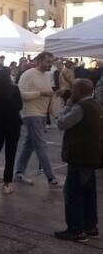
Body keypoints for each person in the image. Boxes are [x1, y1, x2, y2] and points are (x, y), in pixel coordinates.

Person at [54, 79, 102, 243]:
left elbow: (62, 123)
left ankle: (76, 230)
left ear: (79, 91)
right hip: (91, 156)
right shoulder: (96, 105)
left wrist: (66, 106)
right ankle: (91, 227)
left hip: (79, 156)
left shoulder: (80, 107)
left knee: (73, 193)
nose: (72, 92)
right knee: (89, 193)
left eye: (74, 89)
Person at [14, 52, 61, 188]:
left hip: (41, 114)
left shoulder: (47, 75)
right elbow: (20, 94)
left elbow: (47, 93)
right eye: (47, 62)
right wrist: (40, 93)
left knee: (29, 145)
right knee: (41, 145)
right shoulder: (28, 74)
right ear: (39, 61)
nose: (50, 64)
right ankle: (51, 178)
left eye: (51, 62)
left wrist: (54, 97)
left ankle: (19, 173)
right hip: (31, 113)